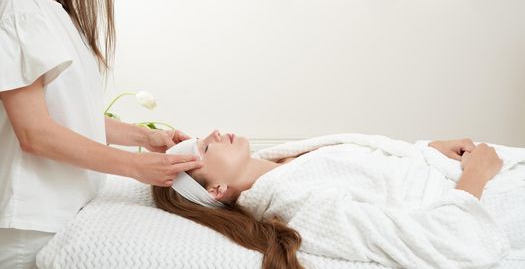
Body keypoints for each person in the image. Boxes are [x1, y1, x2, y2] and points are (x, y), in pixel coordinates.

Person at [0, 0, 202, 267]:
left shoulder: (48, 8)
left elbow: (68, 116)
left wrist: (146, 137)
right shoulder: (16, 7)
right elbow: (34, 134)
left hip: (61, 211)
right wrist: (136, 166)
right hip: (31, 218)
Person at [152, 130, 523, 269]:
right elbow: (446, 241)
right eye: (204, 146)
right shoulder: (298, 205)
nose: (215, 133)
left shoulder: (282, 161)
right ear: (216, 190)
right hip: (497, 200)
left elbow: (366, 170)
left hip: (476, 167)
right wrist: (477, 174)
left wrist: (424, 150)